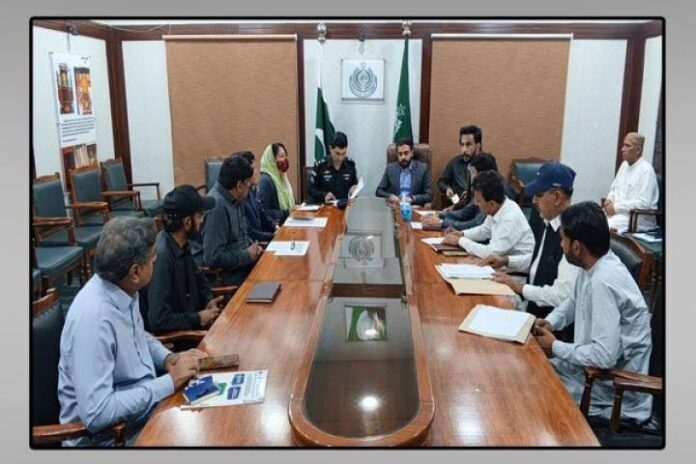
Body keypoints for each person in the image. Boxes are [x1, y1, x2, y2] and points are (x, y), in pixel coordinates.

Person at [58, 217, 205, 446]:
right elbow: (97, 413)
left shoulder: (123, 287)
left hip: (142, 414)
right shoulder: (94, 319)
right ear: (135, 271)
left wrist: (168, 358)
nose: (155, 261)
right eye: (153, 258)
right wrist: (168, 382)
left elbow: (138, 336)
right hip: (111, 438)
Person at [534, 202, 653, 423]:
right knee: (530, 369)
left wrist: (555, 346)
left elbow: (604, 356)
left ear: (576, 247)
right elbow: (574, 301)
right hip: (590, 373)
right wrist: (551, 322)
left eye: (563, 239)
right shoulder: (593, 263)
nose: (560, 244)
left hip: (613, 389)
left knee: (533, 392)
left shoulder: (603, 281)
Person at [489, 162, 580, 321]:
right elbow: (538, 262)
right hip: (532, 308)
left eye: (538, 195)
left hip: (549, 322)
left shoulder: (572, 235)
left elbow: (562, 296)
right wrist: (507, 260)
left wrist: (519, 287)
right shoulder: (546, 222)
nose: (534, 201)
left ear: (557, 197)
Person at [145, 184, 224, 335]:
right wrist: (198, 318)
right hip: (183, 341)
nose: (202, 221)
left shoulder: (182, 243)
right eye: (199, 216)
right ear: (187, 222)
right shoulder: (162, 257)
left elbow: (199, 280)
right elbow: (158, 320)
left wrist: (208, 301)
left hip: (194, 327)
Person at [442, 170, 535, 271]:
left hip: (516, 273)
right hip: (500, 265)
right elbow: (484, 230)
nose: (476, 204)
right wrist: (462, 234)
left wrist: (459, 241)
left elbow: (491, 253)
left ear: (491, 204)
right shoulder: (498, 206)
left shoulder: (510, 217)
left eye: (479, 201)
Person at [203, 155, 263, 286]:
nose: (250, 185)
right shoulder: (217, 207)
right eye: (248, 182)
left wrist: (254, 247)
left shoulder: (237, 199)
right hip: (228, 279)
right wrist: (247, 255)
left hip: (244, 268)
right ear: (239, 185)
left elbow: (242, 235)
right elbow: (213, 258)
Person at [423, 153, 515, 231]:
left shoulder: (495, 191)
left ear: (482, 174)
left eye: (472, 172)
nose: (470, 177)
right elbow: (466, 212)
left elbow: (476, 224)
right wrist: (439, 215)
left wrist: (442, 223)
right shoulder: (484, 185)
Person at [603, 132, 659, 232]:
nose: (622, 149)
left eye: (627, 146)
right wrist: (609, 200)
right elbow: (614, 189)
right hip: (617, 214)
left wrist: (616, 208)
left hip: (637, 218)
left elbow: (644, 203)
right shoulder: (624, 165)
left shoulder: (646, 170)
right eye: (623, 145)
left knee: (603, 226)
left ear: (638, 150)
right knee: (592, 220)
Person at [437, 125, 485, 209]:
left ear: (478, 146)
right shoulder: (454, 163)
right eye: (462, 145)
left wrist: (471, 194)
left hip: (478, 208)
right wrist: (447, 189)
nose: (464, 150)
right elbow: (442, 181)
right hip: (457, 205)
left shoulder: (486, 163)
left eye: (468, 145)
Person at [376, 137, 433, 206]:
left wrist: (412, 199)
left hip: (413, 207)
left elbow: (429, 195)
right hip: (395, 207)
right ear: (397, 155)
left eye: (406, 153)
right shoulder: (390, 169)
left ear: (411, 153)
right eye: (400, 154)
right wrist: (390, 196)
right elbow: (379, 191)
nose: (403, 157)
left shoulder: (422, 169)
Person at [235, 151, 278, 242]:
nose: (256, 172)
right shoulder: (240, 197)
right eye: (253, 168)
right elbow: (249, 232)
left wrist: (275, 227)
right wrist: (271, 236)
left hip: (261, 239)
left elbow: (262, 214)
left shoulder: (251, 191)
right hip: (256, 243)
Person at [308, 131, 359, 204]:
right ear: (330, 149)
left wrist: (354, 188)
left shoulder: (350, 165)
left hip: (345, 206)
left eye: (343, 153)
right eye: (337, 153)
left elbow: (354, 184)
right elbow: (311, 190)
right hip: (326, 207)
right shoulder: (321, 166)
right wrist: (324, 195)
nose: (340, 158)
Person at [258, 142, 295, 223]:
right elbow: (262, 211)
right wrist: (285, 213)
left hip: (287, 221)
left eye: (285, 156)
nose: (285, 159)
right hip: (275, 226)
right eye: (281, 156)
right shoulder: (265, 181)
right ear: (271, 160)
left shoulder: (282, 176)